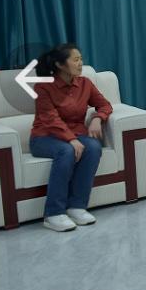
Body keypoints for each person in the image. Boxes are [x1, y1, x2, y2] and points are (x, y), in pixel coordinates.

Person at [30, 43, 110, 232]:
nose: (80, 63)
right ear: (60, 64)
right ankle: (53, 214)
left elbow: (105, 105)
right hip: (44, 137)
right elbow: (50, 119)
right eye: (75, 59)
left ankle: (76, 207)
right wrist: (71, 140)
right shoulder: (43, 86)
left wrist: (98, 118)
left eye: (81, 59)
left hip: (76, 134)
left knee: (93, 147)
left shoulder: (85, 84)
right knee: (66, 151)